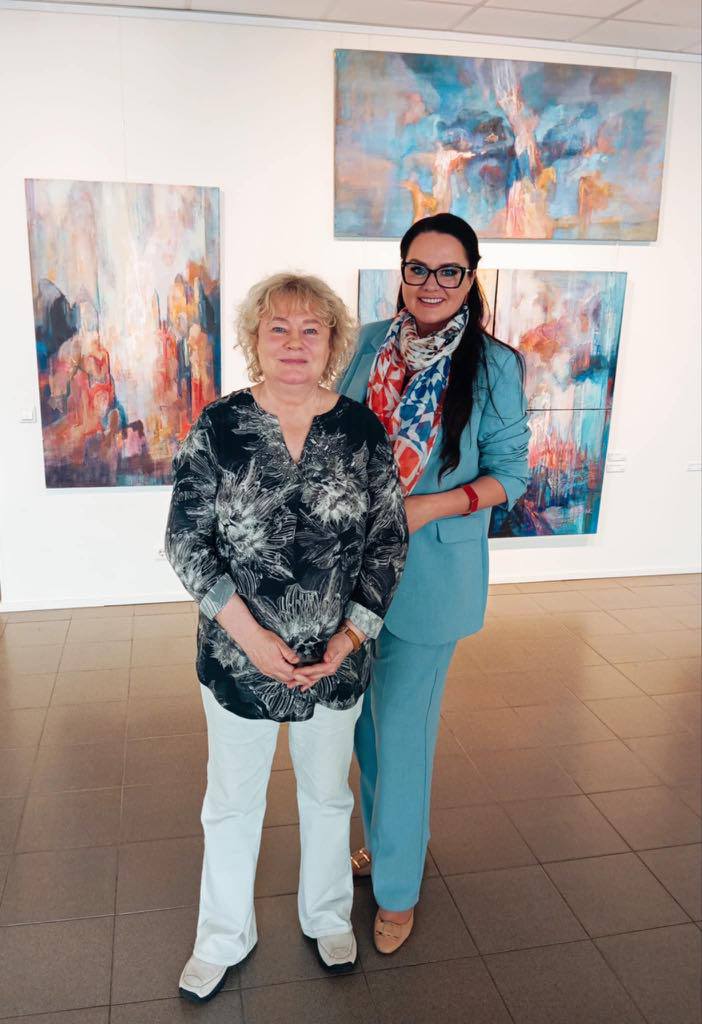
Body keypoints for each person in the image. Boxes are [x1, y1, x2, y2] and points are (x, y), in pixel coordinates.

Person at [165, 273, 408, 1002]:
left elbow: (387, 543)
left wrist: (351, 638)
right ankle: (222, 935)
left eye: (311, 329)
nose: (295, 343)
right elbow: (186, 542)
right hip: (237, 660)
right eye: (279, 328)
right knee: (231, 803)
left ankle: (327, 915)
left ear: (333, 342)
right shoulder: (220, 425)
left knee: (327, 797)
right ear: (256, 339)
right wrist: (250, 638)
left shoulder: (360, 430)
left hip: (334, 664)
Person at [339, 213, 530, 954]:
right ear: (402, 271)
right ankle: (394, 839)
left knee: (404, 731)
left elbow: (510, 476)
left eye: (449, 270)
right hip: (352, 569)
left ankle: (397, 891)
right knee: (364, 725)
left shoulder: (495, 366)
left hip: (432, 572)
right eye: (418, 268)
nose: (432, 283)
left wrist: (427, 507)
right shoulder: (366, 345)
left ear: (471, 278)